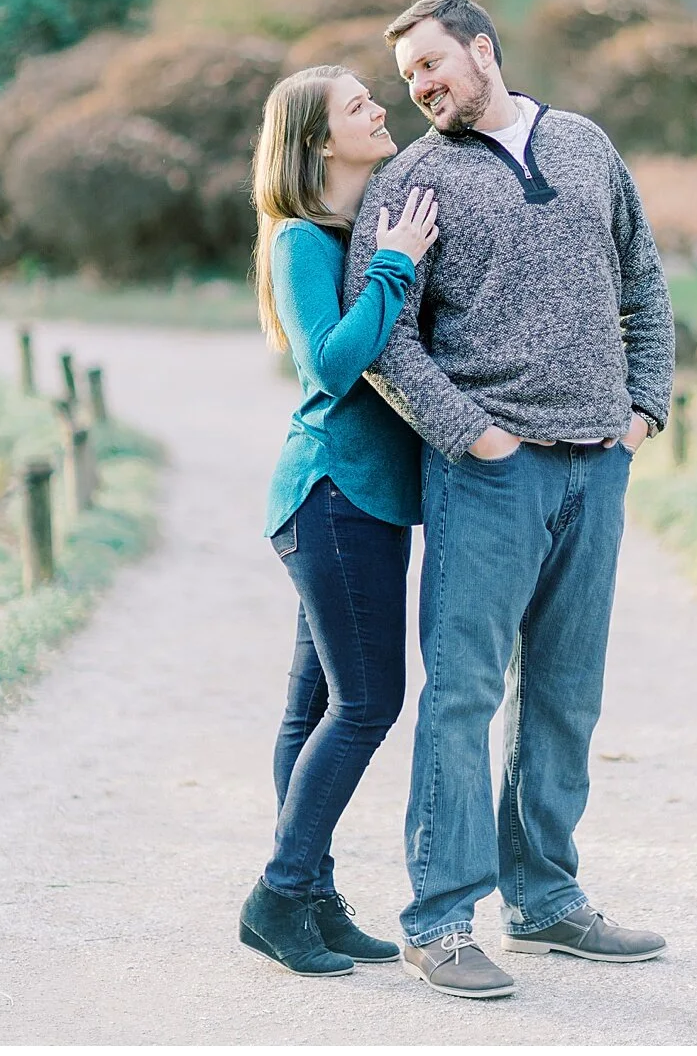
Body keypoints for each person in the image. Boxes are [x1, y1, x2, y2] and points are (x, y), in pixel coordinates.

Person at [344, 0, 675, 1000]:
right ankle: (439, 919)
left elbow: (644, 279)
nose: (422, 87)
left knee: (567, 691)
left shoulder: (582, 143)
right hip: (488, 474)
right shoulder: (410, 180)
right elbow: (383, 337)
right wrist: (470, 432)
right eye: (409, 79)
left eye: (434, 64)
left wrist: (645, 406)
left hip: (597, 462)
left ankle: (545, 900)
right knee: (463, 692)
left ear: (483, 49)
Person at [239, 64, 439, 978]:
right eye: (358, 104)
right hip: (332, 495)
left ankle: (310, 901)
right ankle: (280, 895)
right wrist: (396, 263)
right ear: (320, 141)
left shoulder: (349, 229)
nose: (379, 108)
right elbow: (330, 366)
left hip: (359, 500)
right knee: (368, 702)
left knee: (312, 704)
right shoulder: (302, 242)